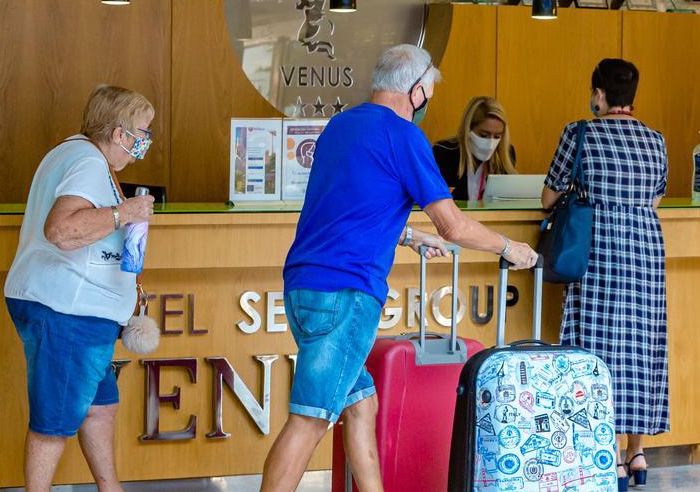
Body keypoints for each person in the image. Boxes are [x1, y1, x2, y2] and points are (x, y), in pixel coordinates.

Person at [261, 44, 539, 492]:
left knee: (360, 406)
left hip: (305, 285)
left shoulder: (339, 127)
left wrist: (408, 235)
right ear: (415, 91)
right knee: (310, 419)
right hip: (346, 293)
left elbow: (347, 210)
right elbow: (453, 225)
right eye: (427, 93)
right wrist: (509, 247)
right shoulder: (404, 135)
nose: (427, 103)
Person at [3, 85, 157, 491]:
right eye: (141, 133)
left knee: (99, 408)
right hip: (68, 312)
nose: (144, 143)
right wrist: (125, 213)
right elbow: (62, 229)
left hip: (75, 312)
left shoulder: (76, 154)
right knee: (53, 422)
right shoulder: (88, 162)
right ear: (118, 132)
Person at [542, 58, 668, 491]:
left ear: (599, 95)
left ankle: (608, 457)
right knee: (641, 347)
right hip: (646, 253)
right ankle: (638, 453)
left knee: (598, 347)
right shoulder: (656, 140)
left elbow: (548, 196)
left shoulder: (580, 134)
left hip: (597, 250)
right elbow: (654, 200)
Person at [432, 96, 517, 201]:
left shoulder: (506, 154)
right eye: (484, 135)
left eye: (497, 136)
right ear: (468, 128)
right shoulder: (444, 153)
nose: (491, 143)